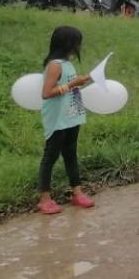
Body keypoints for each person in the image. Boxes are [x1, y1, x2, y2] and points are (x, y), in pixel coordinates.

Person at [36, 26, 95, 214]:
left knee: (71, 154)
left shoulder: (67, 64)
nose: (79, 46)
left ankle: (77, 192)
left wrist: (81, 80)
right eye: (77, 43)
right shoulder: (55, 65)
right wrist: (72, 83)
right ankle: (45, 199)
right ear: (68, 44)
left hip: (71, 116)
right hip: (58, 119)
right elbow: (46, 93)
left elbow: (68, 86)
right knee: (50, 157)